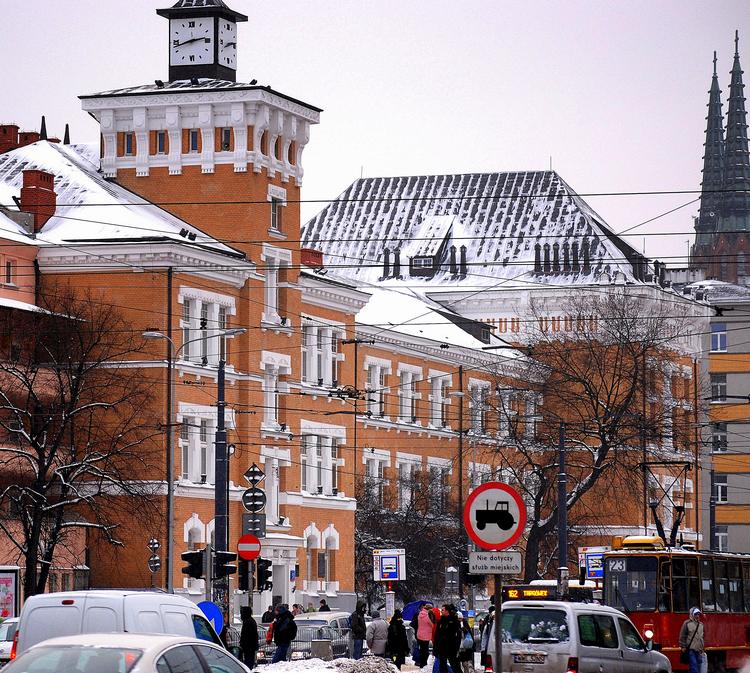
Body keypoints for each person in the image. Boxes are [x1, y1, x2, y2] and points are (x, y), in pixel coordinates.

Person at [433, 604, 462, 673]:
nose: (441, 611)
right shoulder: (440, 621)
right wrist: (436, 646)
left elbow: (457, 634)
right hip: (441, 647)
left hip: (451, 647)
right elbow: (437, 635)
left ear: (447, 611)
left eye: (443, 610)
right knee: (442, 665)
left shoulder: (454, 621)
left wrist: (456, 646)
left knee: (454, 665)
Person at [679, 607, 706, 673]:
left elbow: (702, 637)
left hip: (699, 650)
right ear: (692, 614)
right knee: (694, 668)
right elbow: (682, 636)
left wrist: (703, 648)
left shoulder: (701, 625)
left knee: (699, 668)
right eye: (695, 614)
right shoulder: (687, 623)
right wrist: (683, 646)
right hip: (691, 650)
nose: (697, 616)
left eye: (698, 614)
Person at [414, 602, 435, 667]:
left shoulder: (420, 614)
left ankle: (421, 662)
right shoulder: (427, 616)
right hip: (425, 636)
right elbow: (432, 625)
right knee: (425, 650)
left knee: (422, 649)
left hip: (419, 634)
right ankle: (424, 663)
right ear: (429, 609)